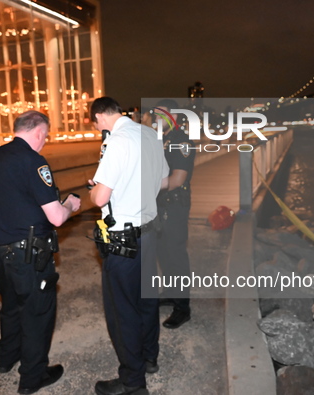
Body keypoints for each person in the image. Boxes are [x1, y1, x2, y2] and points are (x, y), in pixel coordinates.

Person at [0, 110, 81, 395]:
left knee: (10, 307)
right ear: (38, 132)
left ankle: (5, 359)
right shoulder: (34, 162)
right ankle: (32, 378)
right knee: (36, 313)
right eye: (45, 136)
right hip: (29, 256)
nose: (44, 142)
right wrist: (71, 204)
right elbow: (57, 217)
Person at [88, 97, 168, 395]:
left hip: (123, 240)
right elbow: (161, 182)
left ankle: (133, 381)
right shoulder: (149, 134)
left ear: (99, 117)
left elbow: (99, 198)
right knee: (147, 302)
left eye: (96, 123)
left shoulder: (117, 141)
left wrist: (97, 188)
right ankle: (149, 358)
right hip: (149, 233)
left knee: (123, 311)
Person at [154, 100, 195, 329]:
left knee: (176, 255)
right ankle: (170, 292)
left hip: (174, 206)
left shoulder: (182, 141)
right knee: (163, 252)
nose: (157, 119)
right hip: (158, 206)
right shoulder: (160, 140)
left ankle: (183, 307)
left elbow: (177, 179)